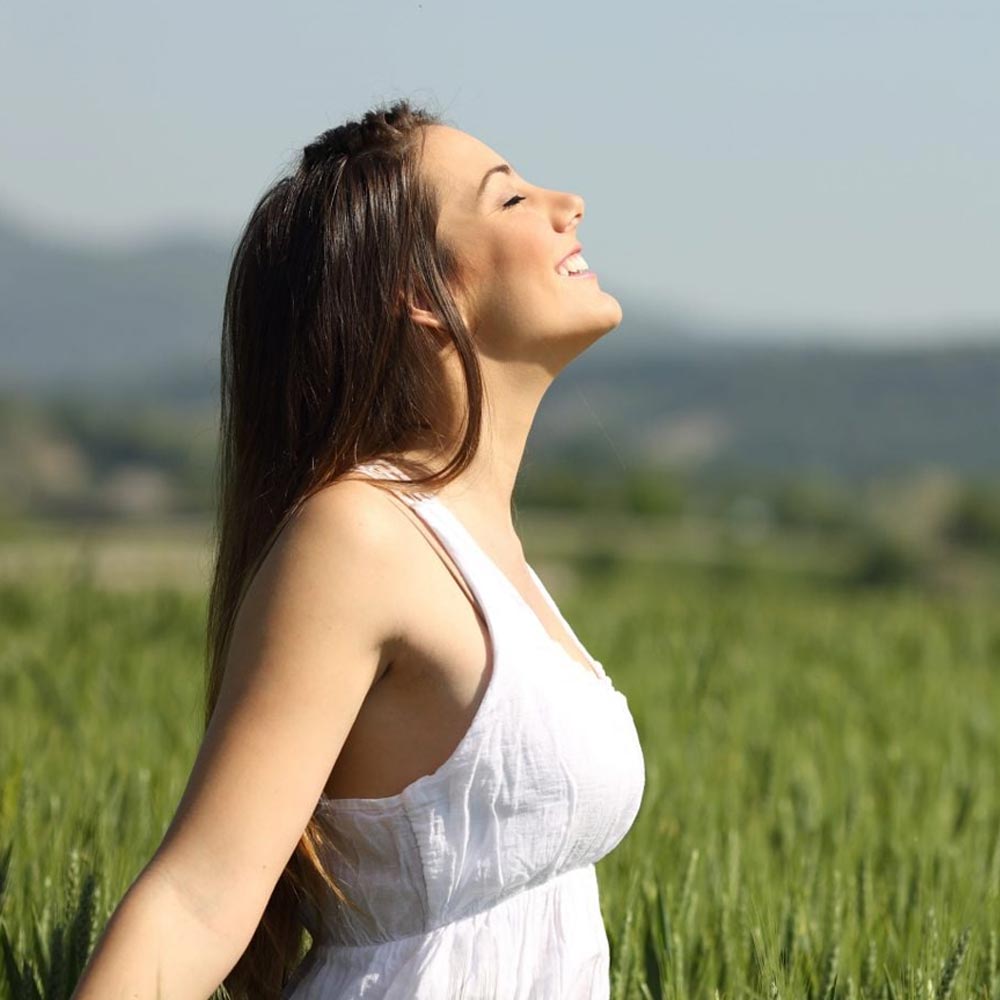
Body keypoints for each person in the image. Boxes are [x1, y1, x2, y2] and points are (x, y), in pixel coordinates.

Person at [71, 98, 646, 1000]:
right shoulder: (361, 535)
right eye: (510, 200)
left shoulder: (486, 547)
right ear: (422, 295)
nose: (567, 202)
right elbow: (194, 901)